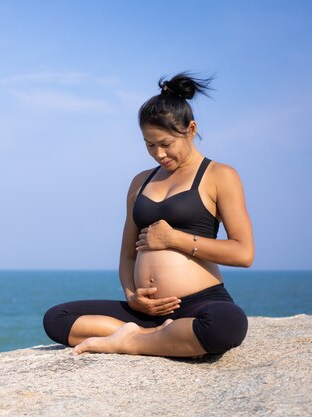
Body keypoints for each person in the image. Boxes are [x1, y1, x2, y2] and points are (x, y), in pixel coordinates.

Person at [43, 72, 254, 358]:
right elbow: (127, 254)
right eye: (149, 144)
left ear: (191, 129)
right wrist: (133, 296)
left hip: (197, 304)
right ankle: (154, 336)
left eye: (166, 144)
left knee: (226, 325)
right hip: (144, 310)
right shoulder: (140, 181)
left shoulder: (219, 175)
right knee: (57, 318)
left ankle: (128, 342)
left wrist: (174, 239)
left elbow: (243, 253)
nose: (158, 153)